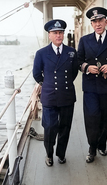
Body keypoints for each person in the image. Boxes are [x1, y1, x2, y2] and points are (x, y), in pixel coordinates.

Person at [77, 7, 107, 163]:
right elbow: (78, 62)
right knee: (92, 117)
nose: (97, 24)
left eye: (100, 21)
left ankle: (102, 145)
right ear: (91, 24)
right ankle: (92, 149)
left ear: (106, 22)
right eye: (94, 21)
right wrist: (87, 67)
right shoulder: (84, 40)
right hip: (91, 86)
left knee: (106, 117)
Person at [33, 19, 78, 167]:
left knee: (65, 128)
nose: (58, 35)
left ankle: (61, 154)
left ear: (63, 34)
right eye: (55, 33)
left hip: (67, 95)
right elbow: (36, 74)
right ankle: (49, 154)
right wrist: (47, 84)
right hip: (50, 96)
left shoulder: (71, 52)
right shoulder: (41, 53)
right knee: (50, 127)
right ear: (49, 35)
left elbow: (73, 73)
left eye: (60, 32)